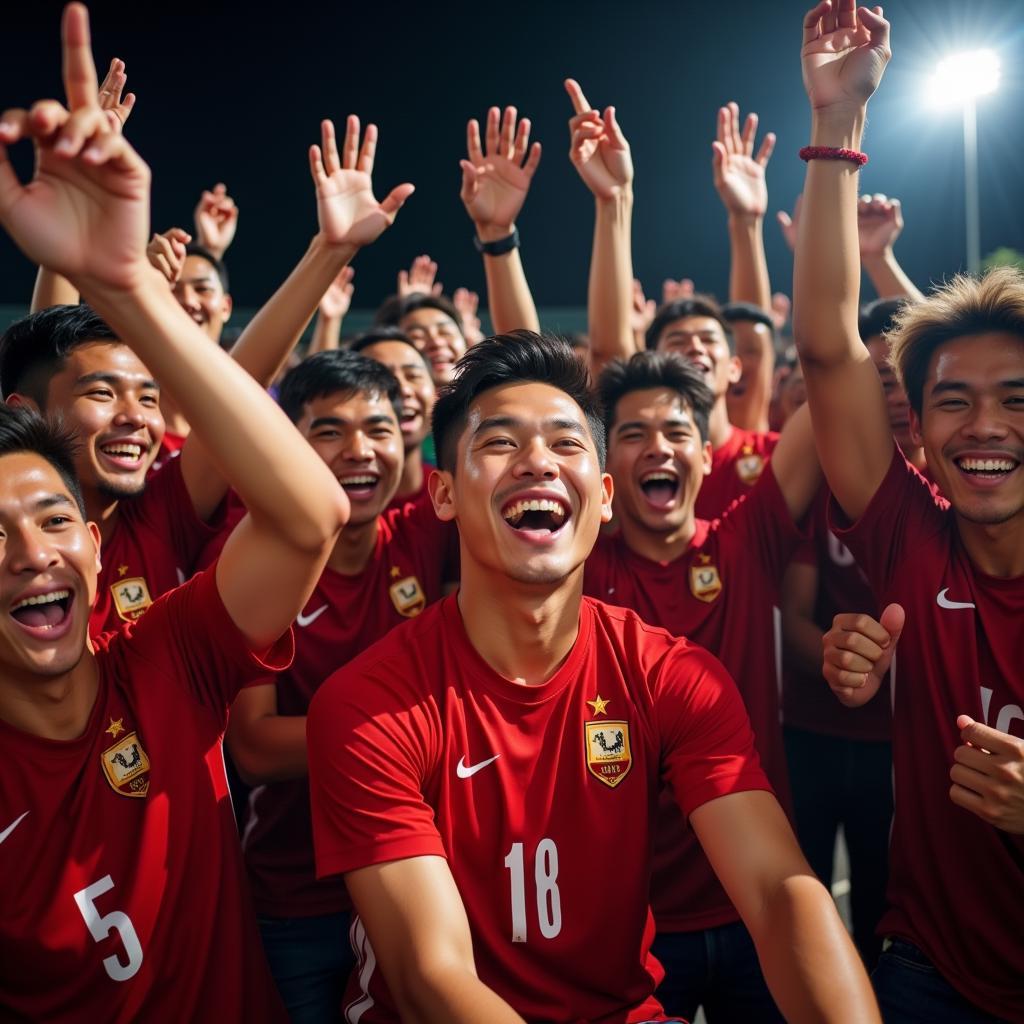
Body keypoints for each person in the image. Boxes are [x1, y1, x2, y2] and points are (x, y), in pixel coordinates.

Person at [306, 331, 878, 1023]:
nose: (537, 462)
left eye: (566, 443)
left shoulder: (675, 676)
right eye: (499, 442)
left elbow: (782, 893)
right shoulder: (367, 706)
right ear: (444, 494)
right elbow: (433, 974)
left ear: (603, 497)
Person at [0, 7, 348, 1020]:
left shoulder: (162, 655)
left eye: (55, 524)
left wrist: (131, 297)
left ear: (98, 549)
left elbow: (301, 515)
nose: (33, 554)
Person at [793, 2, 1023, 1018]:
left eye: (1017, 400)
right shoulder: (912, 539)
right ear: (916, 433)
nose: (986, 426)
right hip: (929, 974)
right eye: (953, 400)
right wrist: (837, 124)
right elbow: (829, 351)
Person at [585, 350, 821, 1020]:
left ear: (707, 453)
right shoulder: (572, 573)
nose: (657, 447)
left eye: (677, 432)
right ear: (605, 472)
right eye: (632, 434)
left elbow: (832, 374)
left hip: (756, 909)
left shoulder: (746, 539)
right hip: (633, 925)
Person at [226, 350, 454, 1021]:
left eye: (379, 429)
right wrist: (411, 733)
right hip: (296, 899)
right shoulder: (258, 560)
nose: (361, 451)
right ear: (289, 442)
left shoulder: (427, 534)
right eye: (329, 431)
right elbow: (255, 748)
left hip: (416, 888)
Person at [564, 79, 780, 518]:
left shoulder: (768, 458)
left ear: (736, 365)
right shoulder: (625, 462)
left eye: (708, 339)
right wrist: (613, 201)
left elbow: (756, 336)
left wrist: (747, 222)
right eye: (678, 342)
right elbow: (607, 351)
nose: (695, 347)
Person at [350, 327, 438, 508]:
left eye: (413, 375)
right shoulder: (332, 502)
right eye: (382, 377)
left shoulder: (459, 495)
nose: (403, 389)